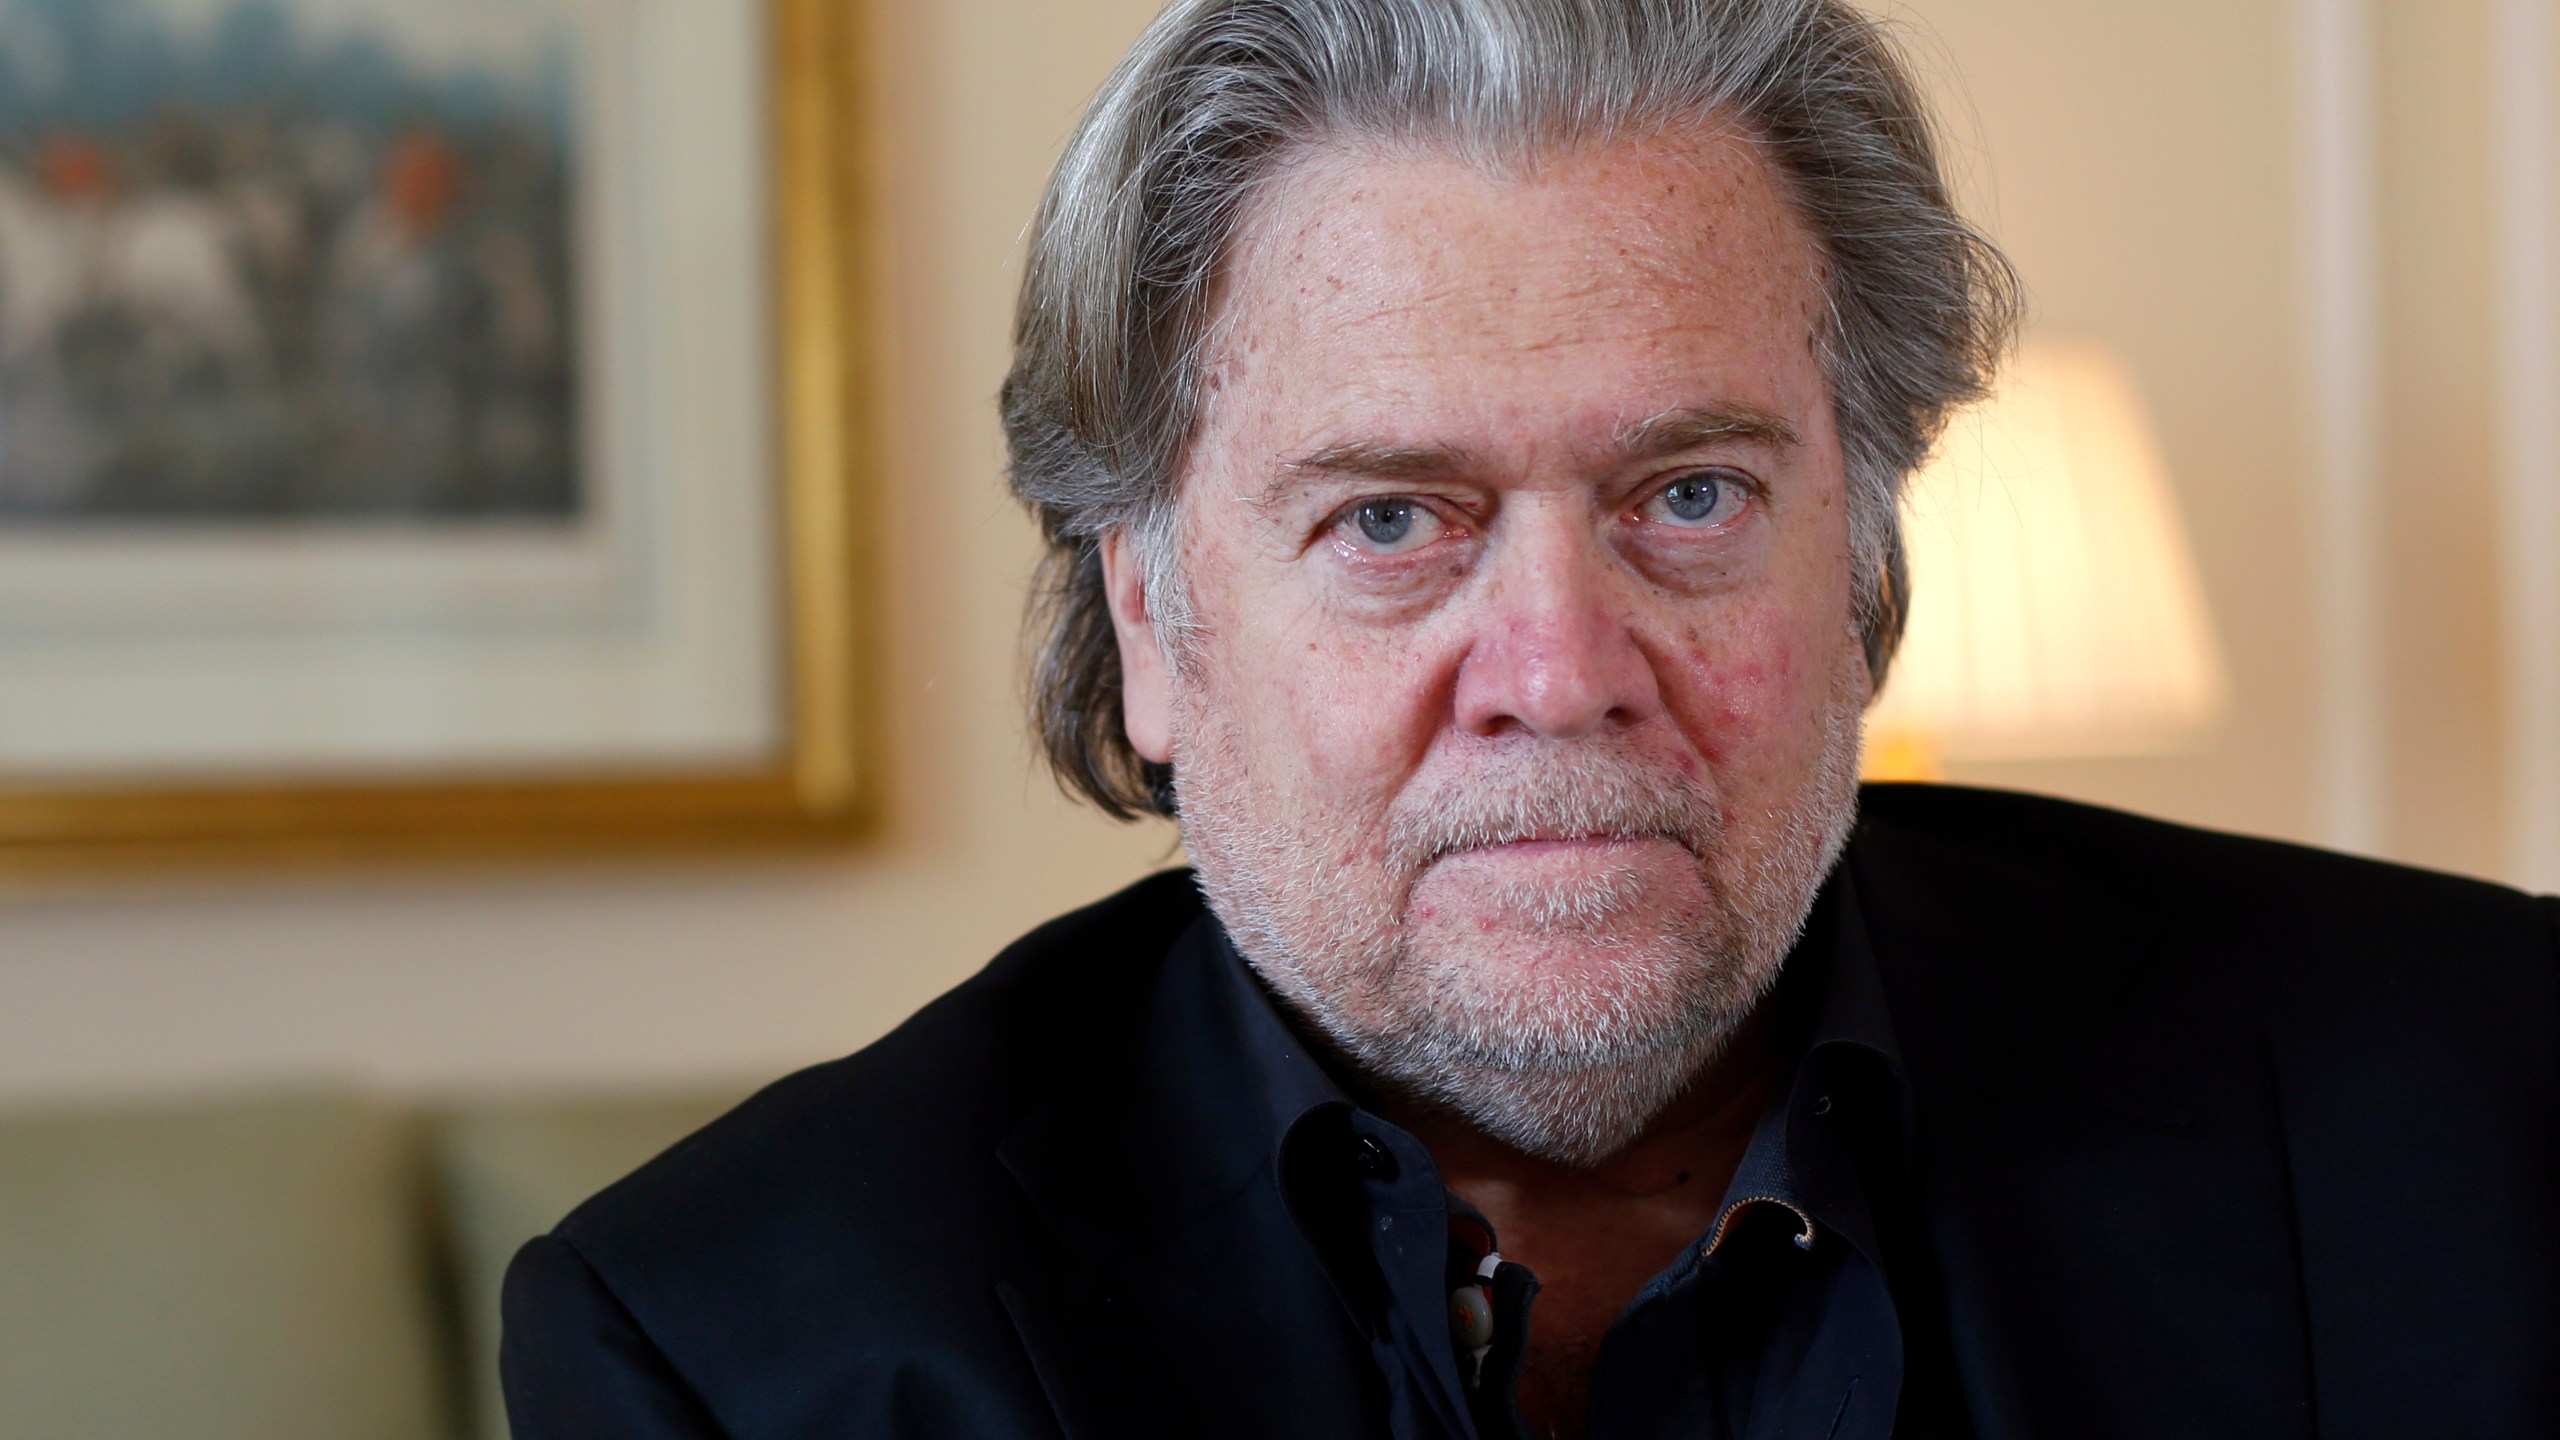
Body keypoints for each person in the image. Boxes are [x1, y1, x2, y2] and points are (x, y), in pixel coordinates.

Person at [500, 1, 2560, 1435]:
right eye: (1390, 518)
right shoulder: (746, 1351)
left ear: (1856, 557)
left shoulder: (2487, 1106)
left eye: (1686, 496)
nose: (1560, 668)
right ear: (1146, 610)